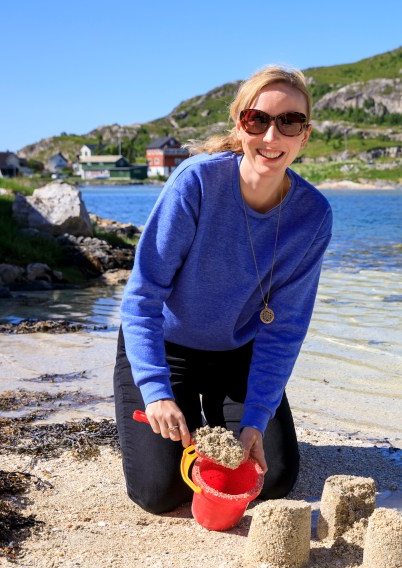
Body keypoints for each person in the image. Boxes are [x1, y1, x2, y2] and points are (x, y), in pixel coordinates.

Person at [113, 65, 332, 515]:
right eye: (258, 120)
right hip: (166, 346)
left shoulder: (313, 216)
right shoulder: (196, 182)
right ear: (240, 124)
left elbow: (285, 328)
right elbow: (142, 296)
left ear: (304, 136)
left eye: (289, 122)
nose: (272, 136)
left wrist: (255, 420)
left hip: (238, 352)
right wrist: (155, 392)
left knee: (272, 480)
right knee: (160, 493)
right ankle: (181, 414)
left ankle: (216, 416)